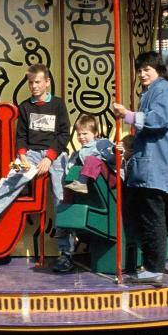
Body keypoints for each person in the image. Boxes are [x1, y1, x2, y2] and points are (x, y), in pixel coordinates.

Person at [113, 51, 168, 285]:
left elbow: (158, 120)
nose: (142, 74)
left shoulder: (162, 91)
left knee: (153, 215)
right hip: (166, 165)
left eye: (147, 69)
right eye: (139, 70)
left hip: (158, 166)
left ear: (158, 70)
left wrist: (127, 116)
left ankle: (153, 267)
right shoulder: (158, 92)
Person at [0, 64, 70, 239]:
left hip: (55, 155)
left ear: (47, 82)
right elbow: (20, 136)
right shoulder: (25, 106)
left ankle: (66, 252)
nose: (34, 86)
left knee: (60, 194)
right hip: (30, 154)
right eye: (30, 83)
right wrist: (22, 156)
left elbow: (64, 134)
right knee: (11, 181)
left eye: (37, 82)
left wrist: (49, 158)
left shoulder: (58, 104)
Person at [54, 114, 115, 273]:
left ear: (95, 132)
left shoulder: (101, 143)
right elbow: (71, 166)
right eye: (79, 134)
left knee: (92, 160)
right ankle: (65, 251)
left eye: (85, 134)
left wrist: (115, 152)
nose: (81, 137)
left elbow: (113, 156)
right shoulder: (77, 154)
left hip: (110, 185)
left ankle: (81, 183)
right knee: (64, 204)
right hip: (91, 191)